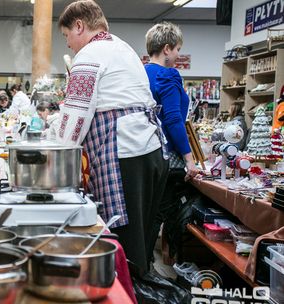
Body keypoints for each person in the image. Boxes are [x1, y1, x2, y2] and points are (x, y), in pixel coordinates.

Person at [56, 0, 168, 274]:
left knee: (124, 245)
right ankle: (138, 288)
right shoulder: (121, 46)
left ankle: (127, 293)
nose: (68, 44)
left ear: (80, 26)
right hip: (150, 151)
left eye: (66, 35)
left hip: (125, 158)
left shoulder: (90, 54)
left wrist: (54, 153)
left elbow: (75, 116)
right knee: (141, 241)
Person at [144, 21, 201, 266]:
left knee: (147, 214)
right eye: (177, 49)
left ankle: (140, 265)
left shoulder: (142, 72)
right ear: (167, 48)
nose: (178, 54)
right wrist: (189, 159)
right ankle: (146, 270)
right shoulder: (169, 75)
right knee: (160, 214)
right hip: (167, 156)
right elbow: (174, 119)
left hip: (146, 153)